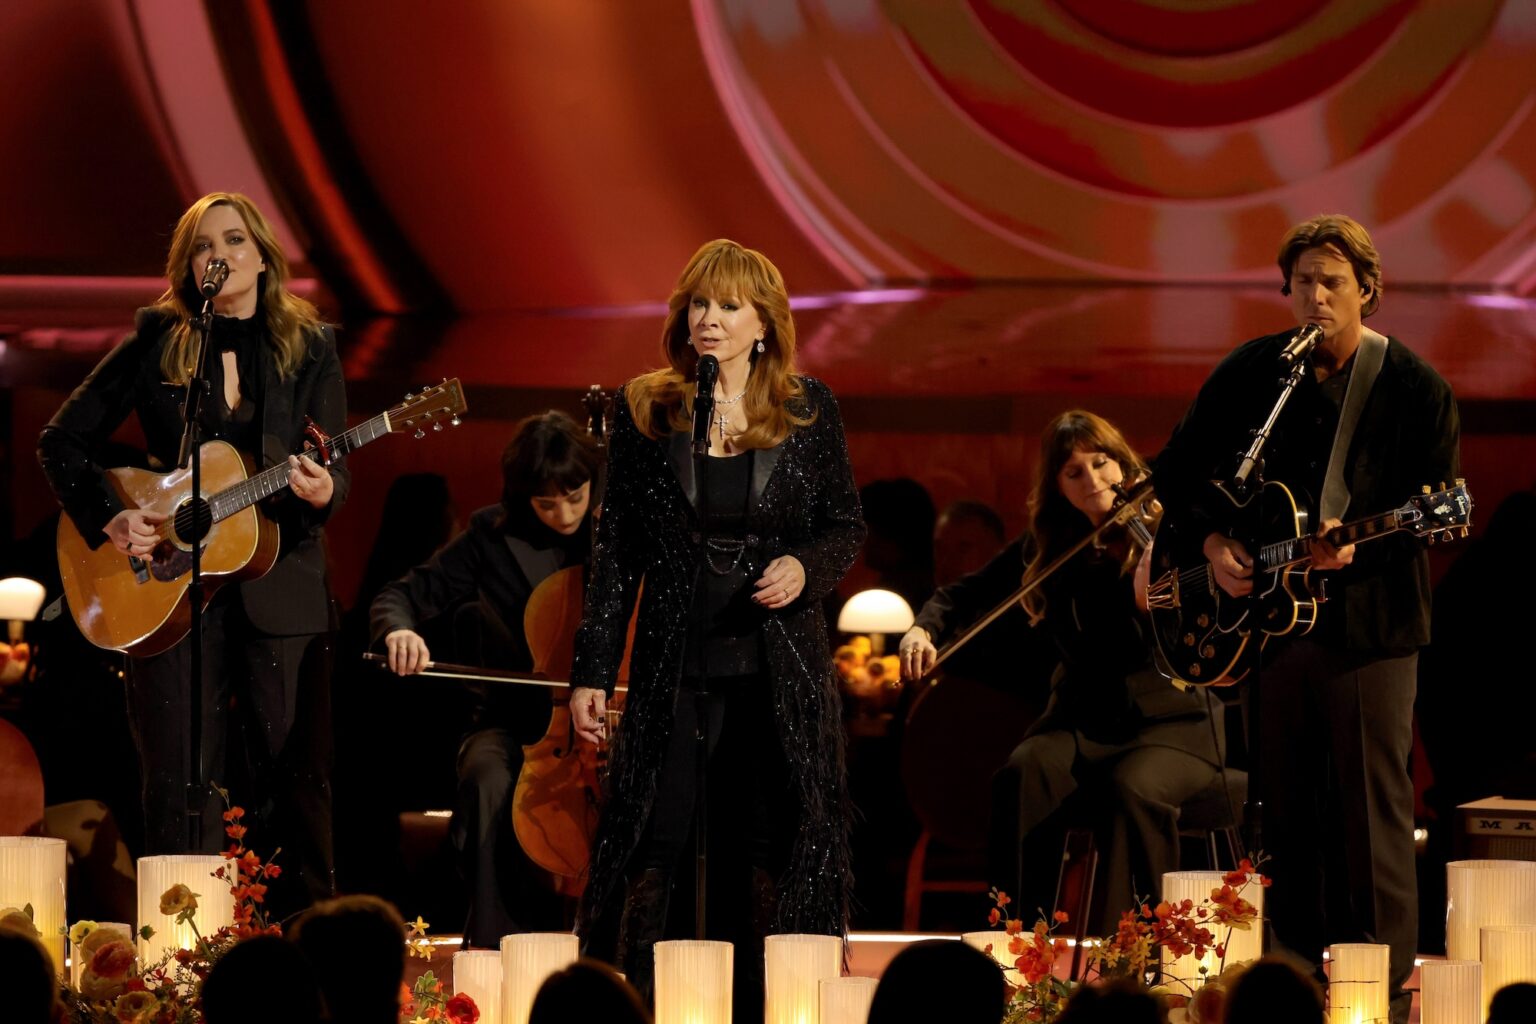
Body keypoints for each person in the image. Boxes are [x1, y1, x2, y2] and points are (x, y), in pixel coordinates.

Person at [1153, 214, 1459, 1024]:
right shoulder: (1258, 372)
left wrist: (1359, 550)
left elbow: (1436, 511)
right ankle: (1282, 981)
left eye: (1332, 281)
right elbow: (1178, 469)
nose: (1316, 296)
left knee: (1369, 810)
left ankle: (1380, 988)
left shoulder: (1414, 387)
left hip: (1372, 631)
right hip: (1269, 628)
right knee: (1281, 808)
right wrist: (1214, 542)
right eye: (1303, 282)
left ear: (1367, 288)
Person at [566, 239, 865, 1021]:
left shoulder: (807, 409)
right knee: (653, 843)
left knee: (769, 844)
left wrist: (804, 568)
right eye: (699, 304)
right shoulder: (646, 411)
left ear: (763, 323)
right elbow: (616, 555)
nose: (709, 319)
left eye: (729, 306)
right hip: (676, 666)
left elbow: (844, 526)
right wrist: (592, 674)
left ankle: (774, 1007)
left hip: (777, 668)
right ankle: (636, 1005)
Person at [37, 192, 347, 915]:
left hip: (282, 585)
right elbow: (61, 442)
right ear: (189, 267)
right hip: (169, 585)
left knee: (295, 777)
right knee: (178, 780)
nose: (222, 256)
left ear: (264, 255)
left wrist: (323, 489)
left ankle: (303, 953)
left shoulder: (311, 347)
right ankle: (185, 961)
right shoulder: (160, 338)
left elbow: (335, 466)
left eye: (235, 241)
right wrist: (112, 517)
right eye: (205, 247)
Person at [900, 411, 1223, 933]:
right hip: (1082, 720)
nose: (1094, 480)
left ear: (1124, 464)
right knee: (1022, 772)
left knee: (1131, 789)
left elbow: (1209, 630)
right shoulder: (1050, 546)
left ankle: (1128, 947)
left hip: (1172, 725)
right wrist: (923, 630)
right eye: (1074, 472)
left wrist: (1156, 598)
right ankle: (1021, 938)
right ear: (1058, 487)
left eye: (1102, 463)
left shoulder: (1174, 534)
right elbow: (961, 595)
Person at [371, 411, 601, 946]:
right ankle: (496, 940)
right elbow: (401, 595)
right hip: (511, 723)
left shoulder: (616, 532)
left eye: (576, 496)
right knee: (486, 780)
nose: (565, 514)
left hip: (606, 722)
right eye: (547, 504)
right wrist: (398, 632)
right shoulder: (489, 537)